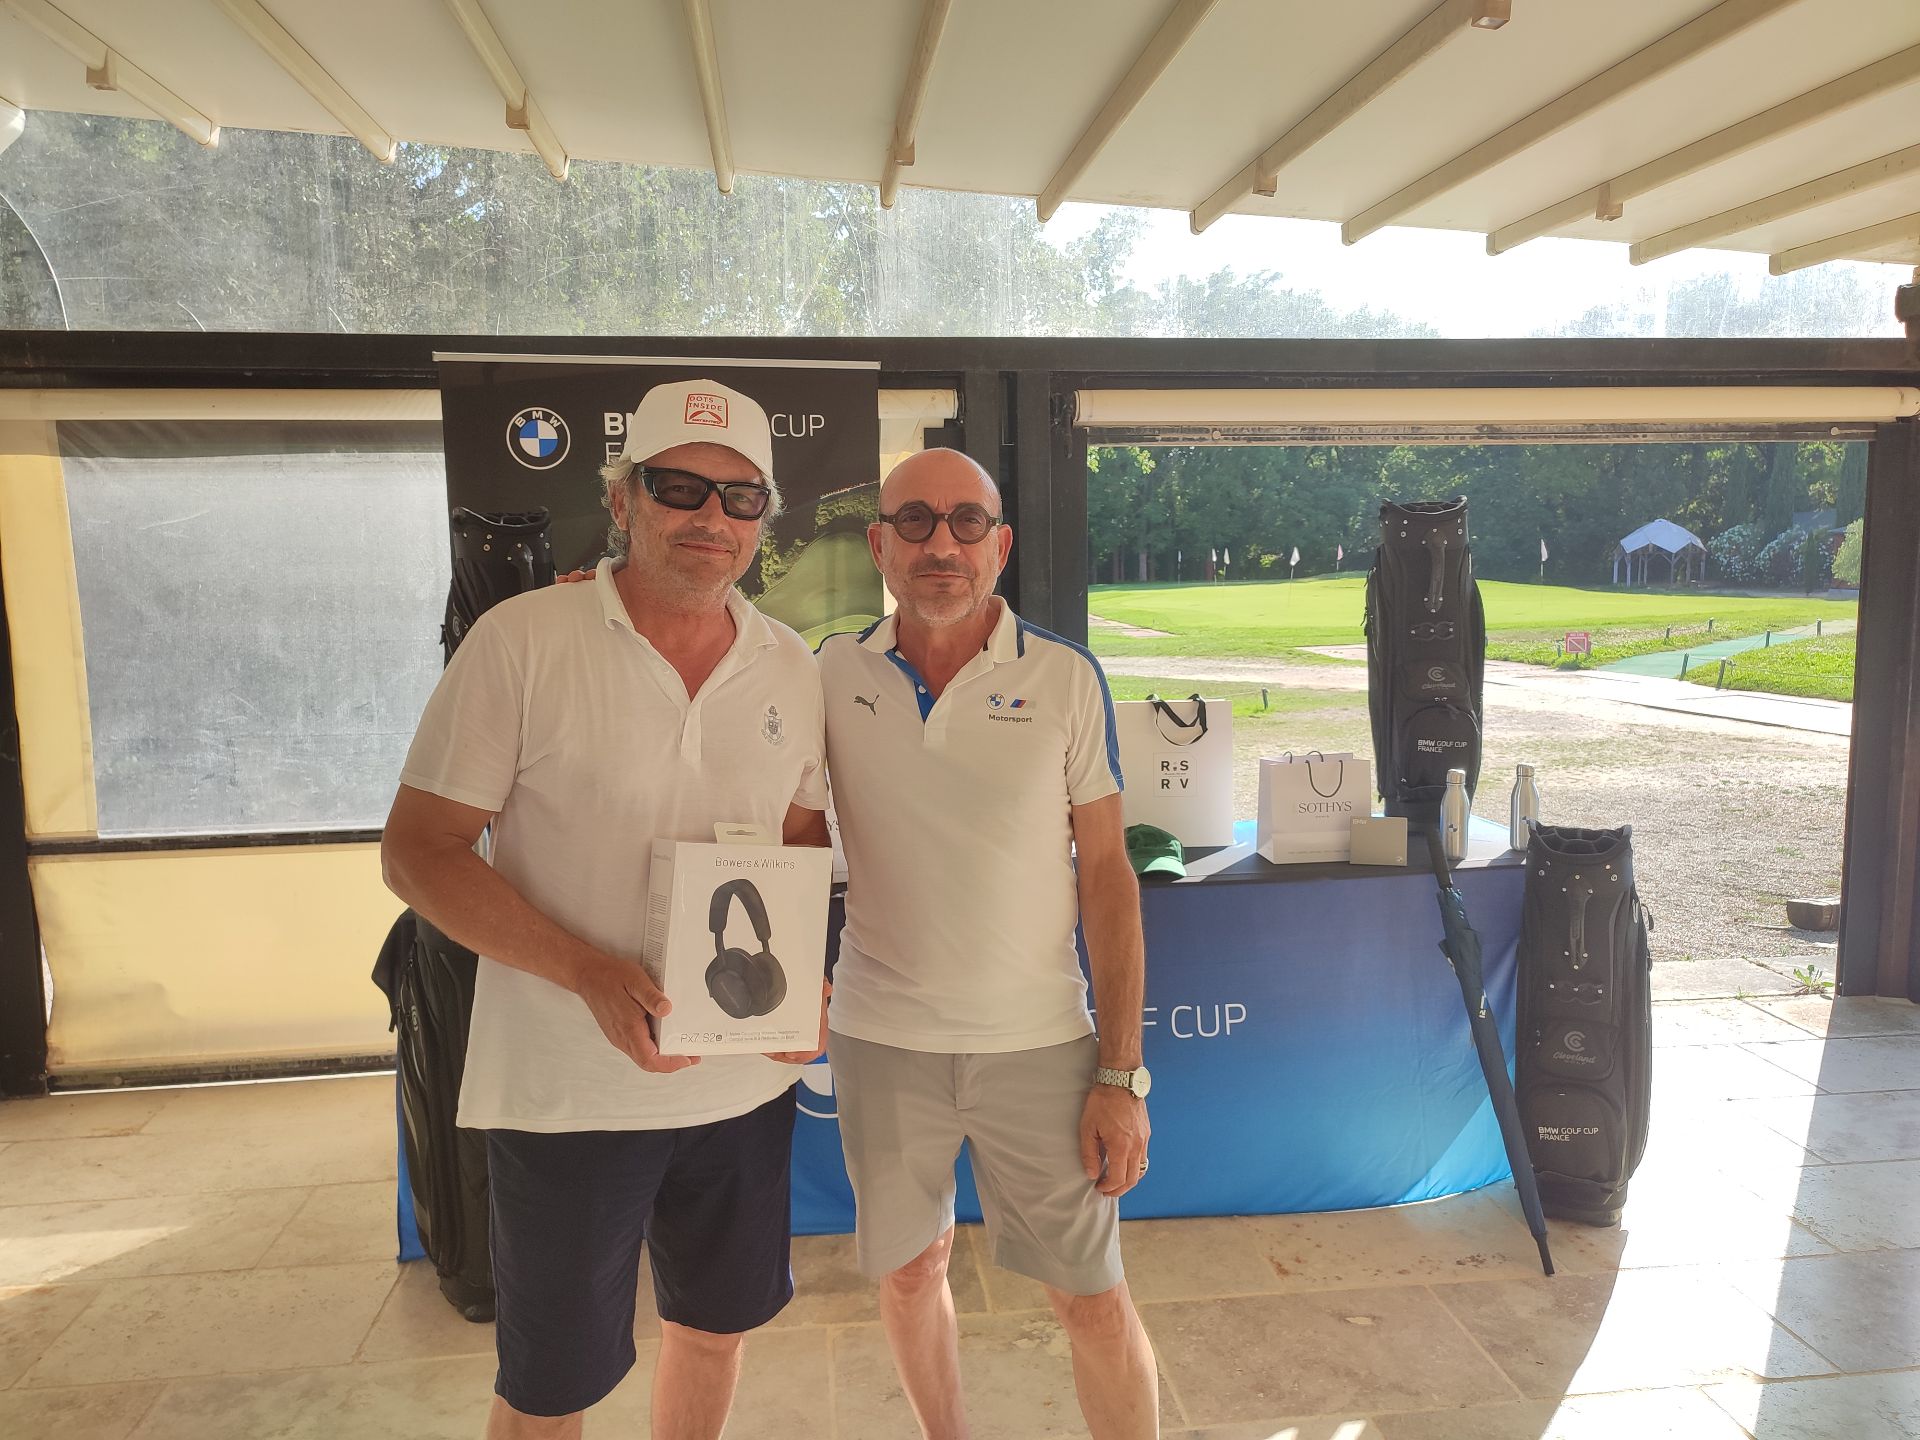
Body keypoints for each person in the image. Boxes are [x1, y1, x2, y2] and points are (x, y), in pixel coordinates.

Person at [381, 377, 829, 1440]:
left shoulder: (790, 664)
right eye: (680, 488)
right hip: (568, 1096)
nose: (711, 517)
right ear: (622, 499)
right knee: (553, 1384)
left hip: (740, 1086)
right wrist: (584, 970)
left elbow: (800, 834)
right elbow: (418, 854)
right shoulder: (521, 641)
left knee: (714, 1331)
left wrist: (802, 978)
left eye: (741, 497)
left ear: (762, 520)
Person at [817, 447, 1159, 1439]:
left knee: (1091, 1298)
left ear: (1000, 546)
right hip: (883, 1038)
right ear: (879, 545)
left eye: (968, 522)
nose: (943, 544)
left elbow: (1108, 876)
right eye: (915, 521)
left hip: (1039, 1042)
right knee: (910, 1271)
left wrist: (1121, 1074)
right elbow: (782, 828)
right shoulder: (830, 672)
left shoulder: (1064, 676)